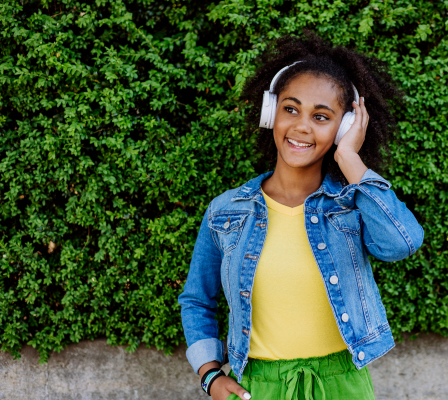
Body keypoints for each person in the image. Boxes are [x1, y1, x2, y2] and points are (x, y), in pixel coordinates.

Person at [178, 32, 424, 400]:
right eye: (290, 109)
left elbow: (402, 242)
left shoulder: (351, 204)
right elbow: (197, 299)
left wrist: (351, 160)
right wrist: (210, 375)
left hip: (342, 384)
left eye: (322, 116)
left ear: (344, 128)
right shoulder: (226, 212)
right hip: (257, 386)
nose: (302, 126)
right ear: (270, 112)